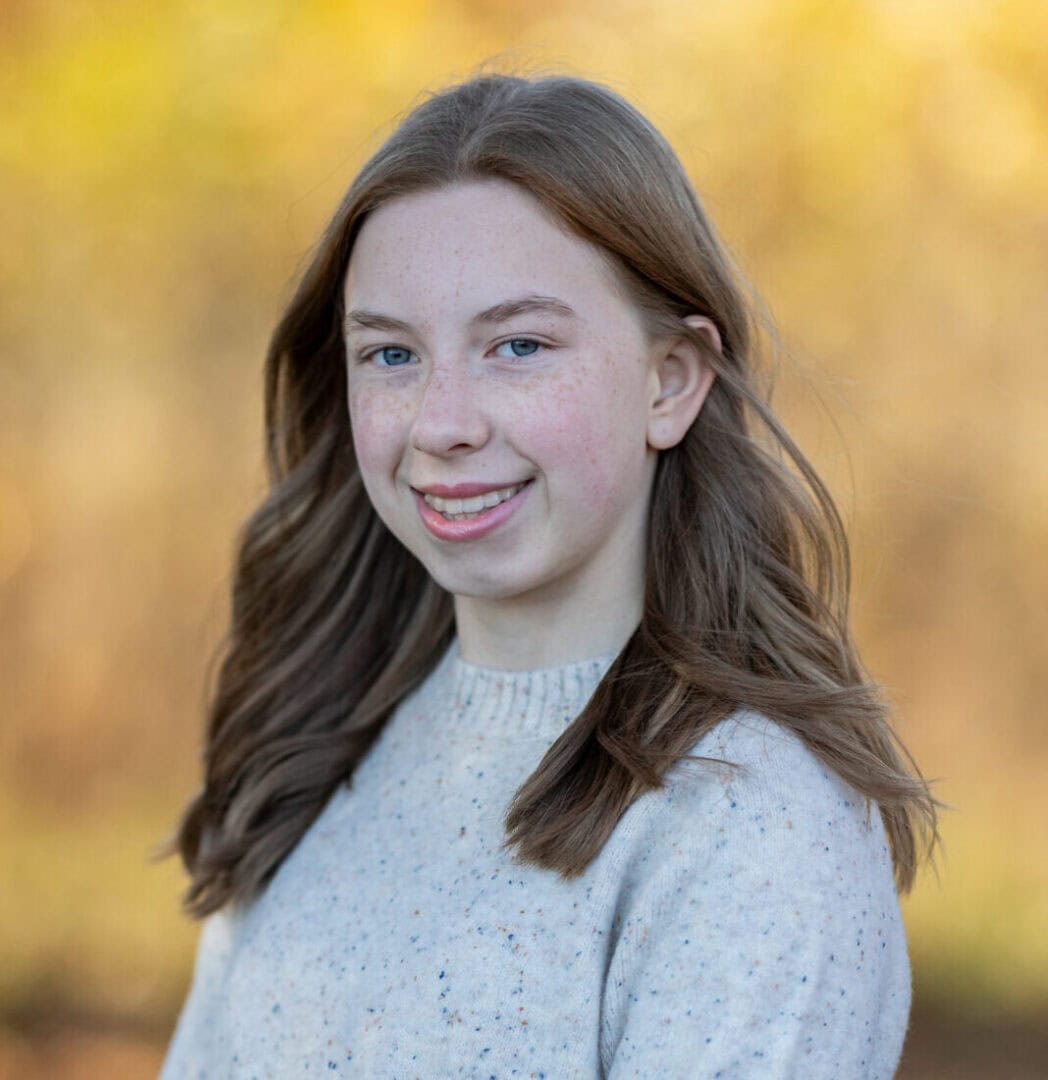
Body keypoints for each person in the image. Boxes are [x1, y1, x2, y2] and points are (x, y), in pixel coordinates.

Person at [157, 72, 937, 1079]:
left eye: (517, 345)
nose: (443, 423)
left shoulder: (754, 821)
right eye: (391, 356)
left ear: (671, 382)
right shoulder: (315, 748)